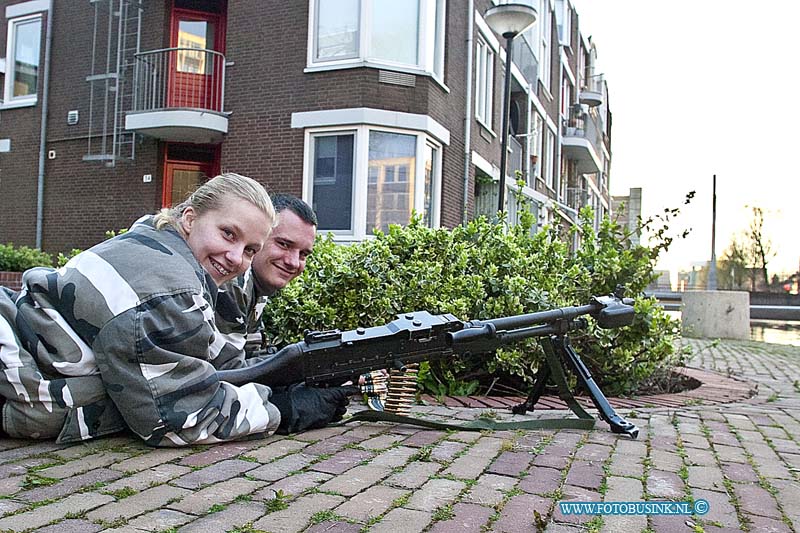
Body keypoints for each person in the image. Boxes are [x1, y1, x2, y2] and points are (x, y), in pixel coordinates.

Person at [0, 174, 352, 446]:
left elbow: (210, 367)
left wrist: (288, 376)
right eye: (228, 234)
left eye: (249, 249)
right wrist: (287, 410)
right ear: (189, 218)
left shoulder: (165, 249)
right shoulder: (171, 291)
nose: (236, 258)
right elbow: (176, 420)